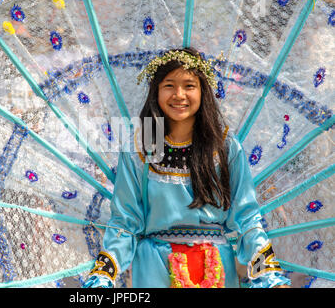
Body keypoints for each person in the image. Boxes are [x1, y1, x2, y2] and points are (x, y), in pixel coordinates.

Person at [83, 48, 291, 288]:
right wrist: (103, 274)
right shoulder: (138, 149)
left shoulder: (226, 148)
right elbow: (125, 221)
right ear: (156, 92)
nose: (179, 95)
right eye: (169, 85)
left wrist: (268, 275)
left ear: (203, 92)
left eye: (189, 85)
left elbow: (247, 218)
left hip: (216, 267)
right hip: (154, 268)